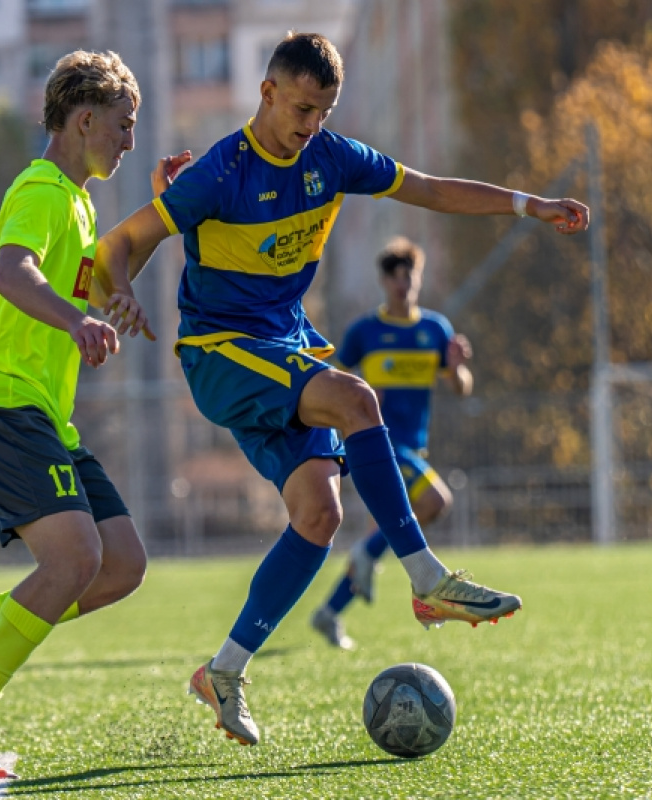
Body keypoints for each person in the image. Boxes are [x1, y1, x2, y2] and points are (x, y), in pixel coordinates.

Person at [94, 32, 589, 748]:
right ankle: (425, 578)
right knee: (357, 399)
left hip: (285, 348)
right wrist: (117, 295)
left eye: (323, 111)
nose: (311, 125)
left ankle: (224, 670)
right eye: (300, 108)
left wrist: (527, 203)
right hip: (222, 352)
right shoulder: (219, 172)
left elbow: (428, 188)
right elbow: (119, 243)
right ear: (266, 94)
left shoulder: (331, 158)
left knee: (318, 516)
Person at [0, 50, 190, 779]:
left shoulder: (79, 202)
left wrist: (159, 218)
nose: (130, 141)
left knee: (120, 563)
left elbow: (101, 289)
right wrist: (75, 321)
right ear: (85, 119)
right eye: (124, 127)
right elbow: (12, 273)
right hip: (0, 403)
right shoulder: (39, 188)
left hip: (42, 417)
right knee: (74, 560)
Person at [311, 236, 474, 650]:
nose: (405, 285)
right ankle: (369, 568)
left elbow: (461, 388)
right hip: (379, 446)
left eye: (411, 276)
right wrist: (362, 390)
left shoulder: (435, 329)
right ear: (384, 281)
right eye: (396, 277)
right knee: (435, 503)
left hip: (414, 450)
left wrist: (456, 369)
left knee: (383, 533)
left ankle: (329, 612)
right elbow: (333, 381)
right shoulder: (366, 331)